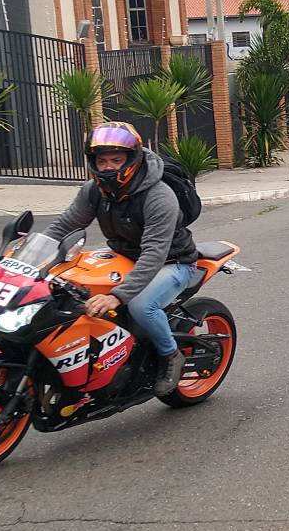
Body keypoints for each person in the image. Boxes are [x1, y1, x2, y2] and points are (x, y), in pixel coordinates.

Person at [44, 122, 198, 396]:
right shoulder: (94, 190)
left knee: (140, 305)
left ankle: (170, 356)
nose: (107, 167)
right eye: (101, 160)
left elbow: (153, 253)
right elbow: (63, 226)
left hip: (173, 262)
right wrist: (25, 256)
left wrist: (118, 296)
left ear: (133, 159)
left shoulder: (159, 196)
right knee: (66, 286)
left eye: (116, 160)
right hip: (124, 257)